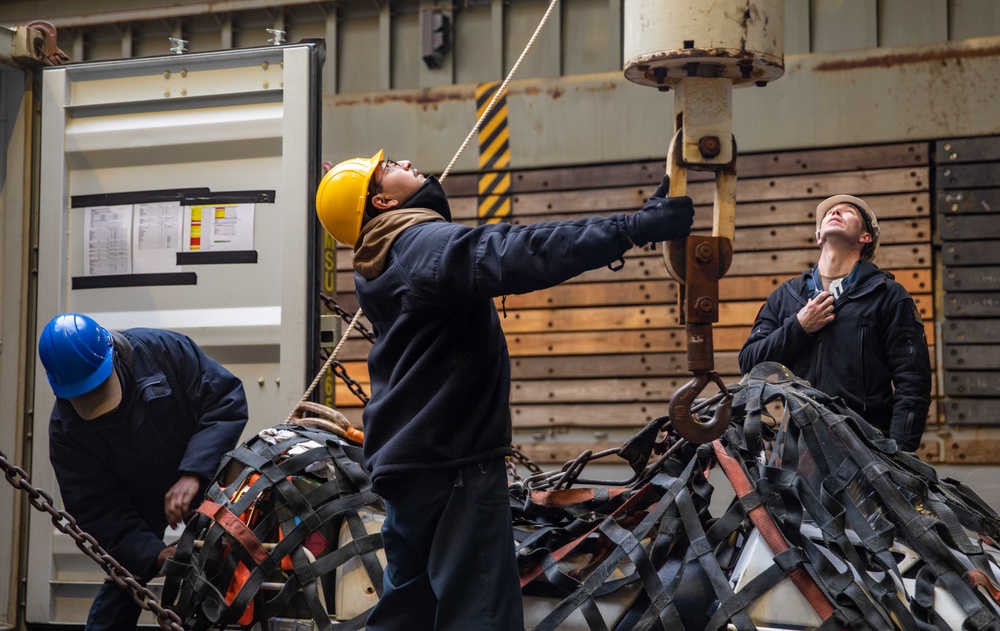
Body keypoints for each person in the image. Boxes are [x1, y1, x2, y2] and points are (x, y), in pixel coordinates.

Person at [315, 151, 694, 630]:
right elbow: (523, 250)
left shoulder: (381, 256)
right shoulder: (420, 244)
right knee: (482, 614)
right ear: (384, 201)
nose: (406, 160)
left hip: (407, 466)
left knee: (406, 615)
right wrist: (630, 228)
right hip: (451, 466)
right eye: (388, 165)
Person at [38, 313, 249, 630]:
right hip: (136, 500)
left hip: (205, 471)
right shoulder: (67, 434)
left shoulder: (163, 352)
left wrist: (193, 472)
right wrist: (154, 555)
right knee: (127, 578)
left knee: (227, 556)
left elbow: (224, 399)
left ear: (112, 355)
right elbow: (98, 510)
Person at [738, 195, 932, 451]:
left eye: (848, 211)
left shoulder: (888, 296)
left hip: (865, 447)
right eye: (830, 211)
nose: (836, 212)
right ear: (819, 237)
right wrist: (799, 327)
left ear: (866, 237)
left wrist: (899, 454)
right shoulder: (785, 296)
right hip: (797, 449)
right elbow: (750, 362)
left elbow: (913, 382)